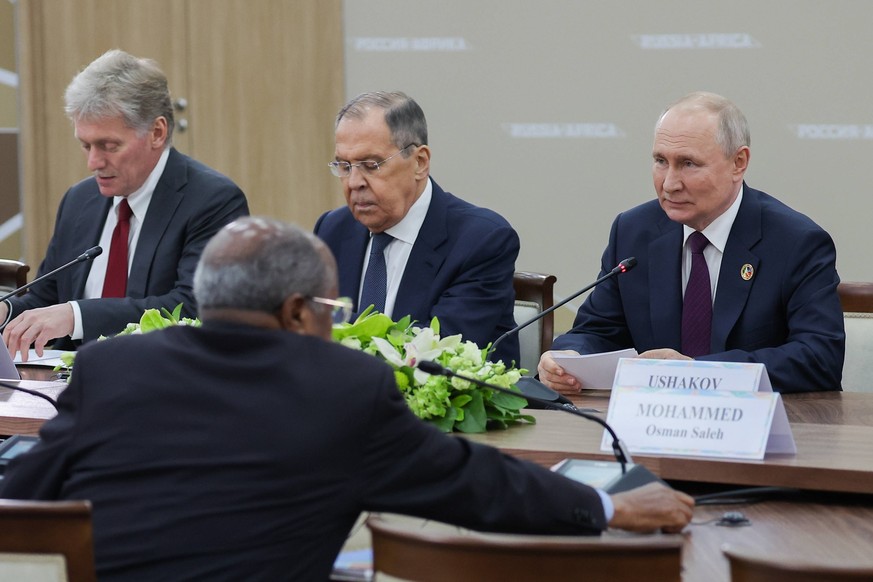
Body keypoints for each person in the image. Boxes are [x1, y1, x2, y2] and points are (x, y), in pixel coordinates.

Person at [0, 217, 694, 581]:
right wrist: (608, 505)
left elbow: (25, 494)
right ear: (299, 311)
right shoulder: (342, 387)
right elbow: (472, 484)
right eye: (331, 309)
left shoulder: (111, 368)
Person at [539, 92, 844, 395]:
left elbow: (818, 357)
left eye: (688, 164)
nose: (670, 183)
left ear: (739, 162)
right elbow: (598, 330)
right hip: (651, 423)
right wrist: (570, 357)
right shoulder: (633, 231)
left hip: (758, 427)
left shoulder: (796, 242)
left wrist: (699, 372)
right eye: (661, 161)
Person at [0, 49, 248, 360]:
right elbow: (46, 297)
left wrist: (76, 316)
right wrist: (6, 311)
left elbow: (193, 308)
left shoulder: (213, 201)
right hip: (68, 385)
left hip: (161, 383)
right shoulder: (79, 200)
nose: (93, 162)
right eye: (85, 145)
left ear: (157, 132)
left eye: (108, 145)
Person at [314, 91, 521, 365]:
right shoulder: (333, 230)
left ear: (420, 162)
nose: (354, 182)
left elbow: (437, 352)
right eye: (344, 165)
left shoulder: (480, 241)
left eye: (371, 165)